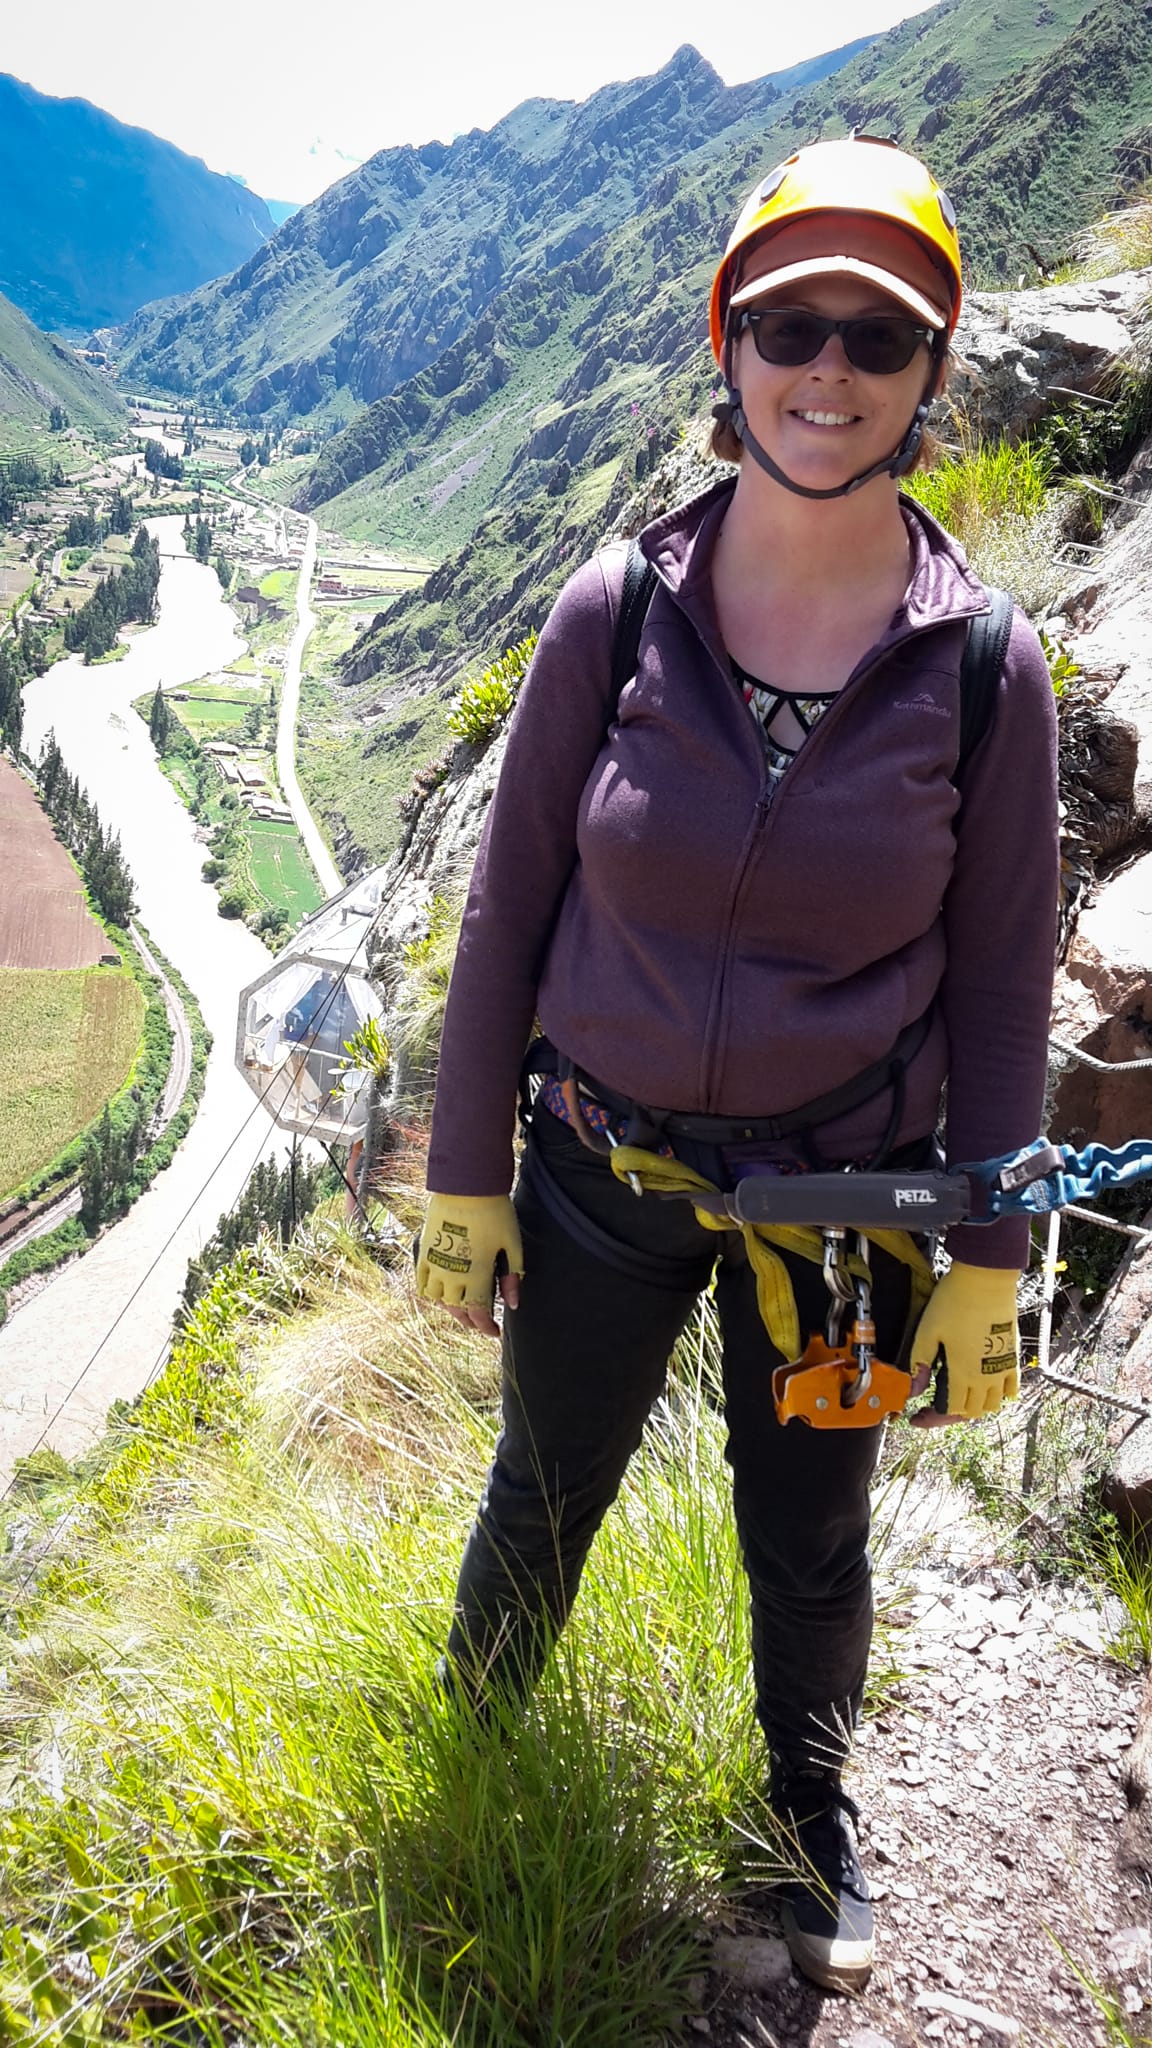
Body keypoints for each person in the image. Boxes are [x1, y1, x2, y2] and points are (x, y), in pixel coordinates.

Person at [414, 133, 1060, 1992]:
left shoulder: (981, 668)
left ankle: (803, 1823)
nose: (828, 371)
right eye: (791, 325)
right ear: (730, 344)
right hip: (598, 1165)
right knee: (544, 1487)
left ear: (934, 374)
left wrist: (994, 1262)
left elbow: (1005, 974)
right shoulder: (617, 607)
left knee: (810, 1533)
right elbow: (509, 899)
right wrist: (470, 1171)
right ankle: (471, 1756)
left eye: (879, 334)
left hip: (836, 1199)